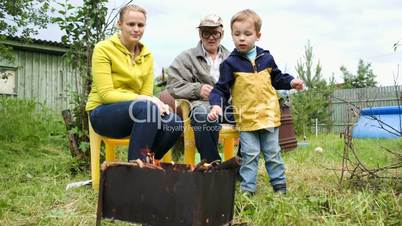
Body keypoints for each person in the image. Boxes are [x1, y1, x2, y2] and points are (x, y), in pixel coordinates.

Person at [208, 9, 304, 195]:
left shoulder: (266, 58)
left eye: (247, 34)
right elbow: (220, 89)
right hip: (246, 118)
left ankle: (280, 188)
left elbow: (277, 78)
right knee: (249, 155)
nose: (241, 38)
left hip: (268, 116)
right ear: (232, 35)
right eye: (237, 34)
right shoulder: (230, 63)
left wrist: (291, 82)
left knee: (272, 154)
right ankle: (248, 190)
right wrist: (216, 105)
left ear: (258, 35)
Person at [86, 4, 183, 162]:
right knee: (147, 107)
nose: (136, 29)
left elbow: (145, 95)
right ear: (120, 24)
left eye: (140, 25)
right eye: (131, 24)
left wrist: (158, 105)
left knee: (174, 122)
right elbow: (106, 95)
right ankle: (134, 172)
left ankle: (147, 163)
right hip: (103, 114)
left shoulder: (147, 55)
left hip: (137, 113)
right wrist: (148, 101)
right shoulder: (103, 49)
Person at [166, 14, 233, 163]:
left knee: (251, 115)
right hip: (202, 106)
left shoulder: (232, 58)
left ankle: (242, 165)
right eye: (206, 33)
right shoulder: (186, 58)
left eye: (215, 33)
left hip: (229, 106)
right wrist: (197, 89)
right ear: (199, 34)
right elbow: (172, 85)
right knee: (201, 116)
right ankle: (212, 165)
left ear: (222, 34)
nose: (211, 38)